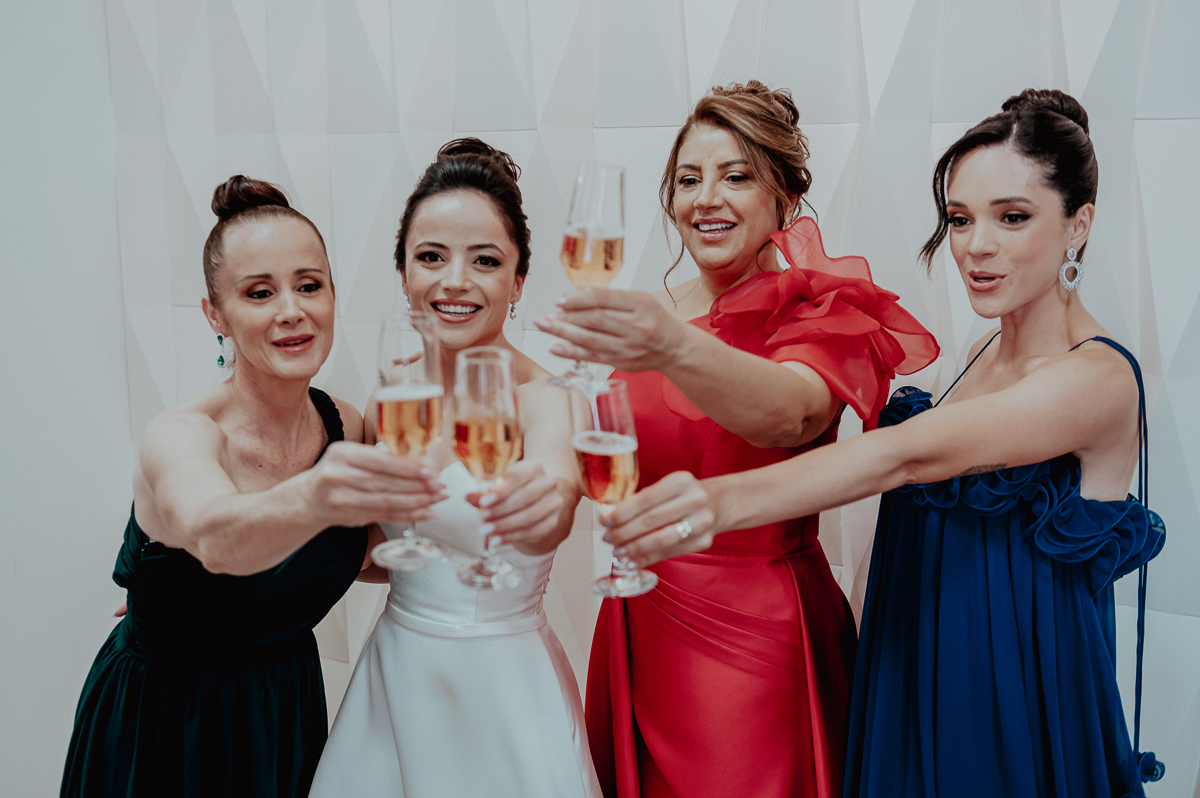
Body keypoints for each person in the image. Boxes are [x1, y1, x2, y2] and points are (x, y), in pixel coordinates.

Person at [600, 89, 1166, 797]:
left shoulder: (1099, 377)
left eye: (1012, 217)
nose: (976, 245)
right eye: (959, 219)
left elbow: (902, 456)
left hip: (1014, 697)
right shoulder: (983, 357)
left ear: (1077, 224)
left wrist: (710, 504)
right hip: (910, 671)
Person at [536, 81, 938, 798]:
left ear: (784, 198)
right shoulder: (647, 315)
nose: (705, 198)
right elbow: (586, 441)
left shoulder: (824, 311)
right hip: (641, 615)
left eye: (736, 176)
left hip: (761, 630)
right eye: (689, 179)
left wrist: (669, 348)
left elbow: (788, 415)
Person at [60, 177, 445, 798]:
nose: (291, 310)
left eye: (308, 285)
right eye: (259, 292)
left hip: (281, 709)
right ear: (215, 313)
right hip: (165, 722)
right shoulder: (180, 436)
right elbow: (218, 537)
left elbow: (367, 552)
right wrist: (321, 498)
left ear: (332, 295)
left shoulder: (346, 426)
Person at [308, 139, 602, 798]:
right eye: (431, 257)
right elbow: (374, 552)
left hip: (504, 687)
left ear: (519, 280)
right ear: (405, 273)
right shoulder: (393, 397)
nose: (455, 281)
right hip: (396, 679)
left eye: (486, 261)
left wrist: (546, 500)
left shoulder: (550, 401)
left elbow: (552, 503)